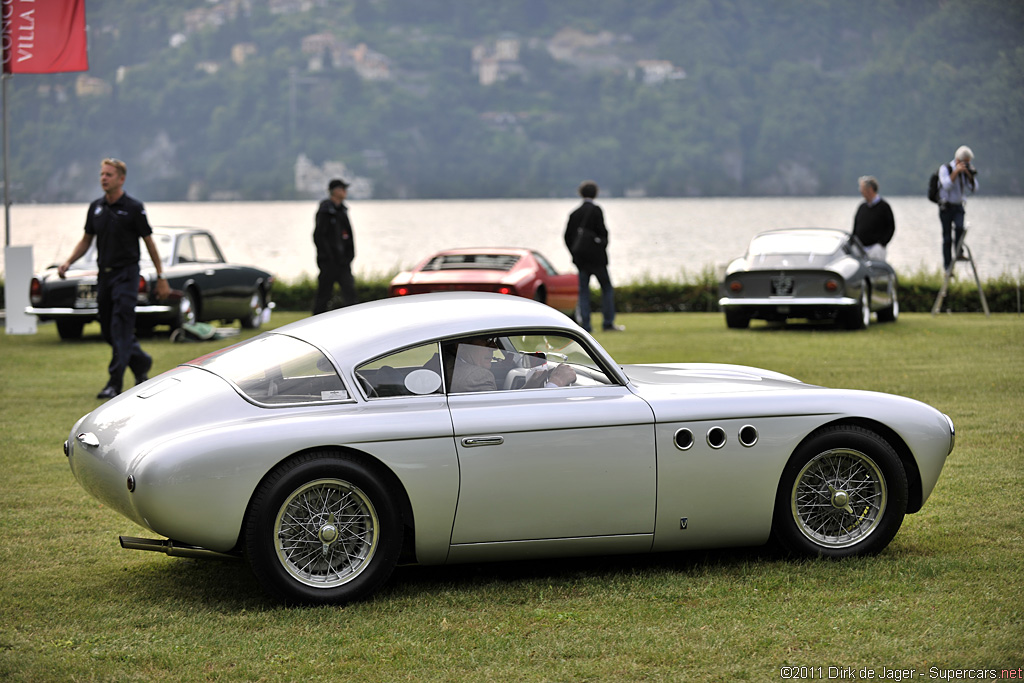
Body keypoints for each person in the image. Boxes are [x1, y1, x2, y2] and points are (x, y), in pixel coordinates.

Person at [57, 158, 170, 400]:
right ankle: (141, 362)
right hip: (104, 277)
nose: (103, 178)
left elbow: (149, 243)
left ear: (121, 179)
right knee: (109, 330)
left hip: (127, 276)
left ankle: (114, 383)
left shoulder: (133, 208)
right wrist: (68, 262)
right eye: (102, 174)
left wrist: (161, 277)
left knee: (121, 326)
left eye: (109, 174)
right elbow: (87, 239)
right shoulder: (96, 208)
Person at [563, 180, 623, 332]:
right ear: (595, 193)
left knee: (584, 292)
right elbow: (603, 233)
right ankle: (608, 323)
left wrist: (574, 254)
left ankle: (586, 325)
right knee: (607, 289)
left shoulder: (574, 213)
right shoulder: (596, 210)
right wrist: (601, 246)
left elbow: (567, 237)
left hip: (581, 260)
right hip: (597, 260)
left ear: (581, 193)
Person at [448, 336, 576, 393]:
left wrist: (530, 385)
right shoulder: (477, 376)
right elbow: (504, 419)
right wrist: (555, 383)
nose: (495, 348)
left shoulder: (445, 366)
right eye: (487, 341)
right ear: (459, 346)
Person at [312, 178, 357, 314]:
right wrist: (328, 257)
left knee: (350, 293)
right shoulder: (326, 210)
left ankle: (355, 319)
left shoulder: (342, 210)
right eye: (343, 189)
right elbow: (319, 236)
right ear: (335, 191)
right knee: (324, 294)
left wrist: (349, 255)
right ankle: (316, 320)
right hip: (329, 262)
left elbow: (349, 236)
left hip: (343, 261)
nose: (345, 192)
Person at [938, 145, 978, 271]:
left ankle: (958, 251)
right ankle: (947, 266)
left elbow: (974, 188)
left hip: (959, 206)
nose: (966, 165)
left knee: (960, 228)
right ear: (958, 160)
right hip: (946, 207)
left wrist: (968, 174)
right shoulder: (945, 169)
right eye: (964, 163)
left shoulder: (965, 172)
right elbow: (946, 186)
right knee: (947, 238)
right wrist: (956, 172)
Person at [852, 176, 895, 261]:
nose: (861, 191)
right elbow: (856, 226)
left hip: (876, 250)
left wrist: (882, 244)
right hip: (860, 249)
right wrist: (853, 241)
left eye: (862, 188)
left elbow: (891, 227)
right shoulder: (862, 207)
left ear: (870, 189)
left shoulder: (884, 207)